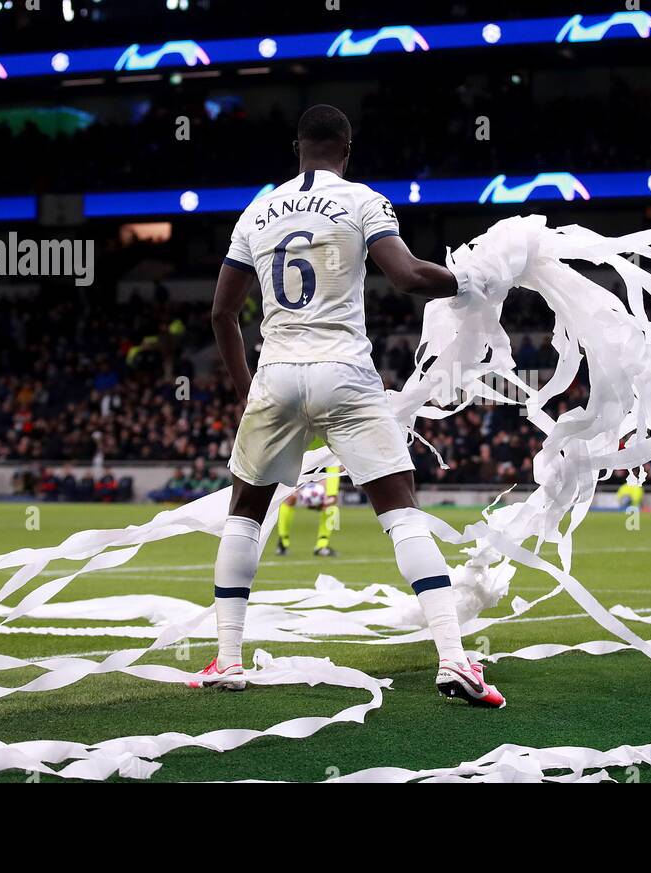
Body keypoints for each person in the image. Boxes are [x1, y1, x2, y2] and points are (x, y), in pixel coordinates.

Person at [194, 104, 504, 706]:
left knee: (244, 516)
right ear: (347, 148)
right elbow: (409, 277)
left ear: (297, 147)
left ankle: (227, 661)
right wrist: (469, 283)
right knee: (401, 512)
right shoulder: (363, 200)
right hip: (345, 372)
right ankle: (453, 659)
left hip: (276, 374)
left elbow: (221, 312)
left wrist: (245, 391)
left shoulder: (256, 211)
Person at [276, 457, 342, 557]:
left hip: (321, 470)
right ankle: (282, 542)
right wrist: (289, 484)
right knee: (289, 499)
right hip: (299, 467)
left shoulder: (327, 444)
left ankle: (322, 545)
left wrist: (332, 494)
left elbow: (333, 464)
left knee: (330, 504)